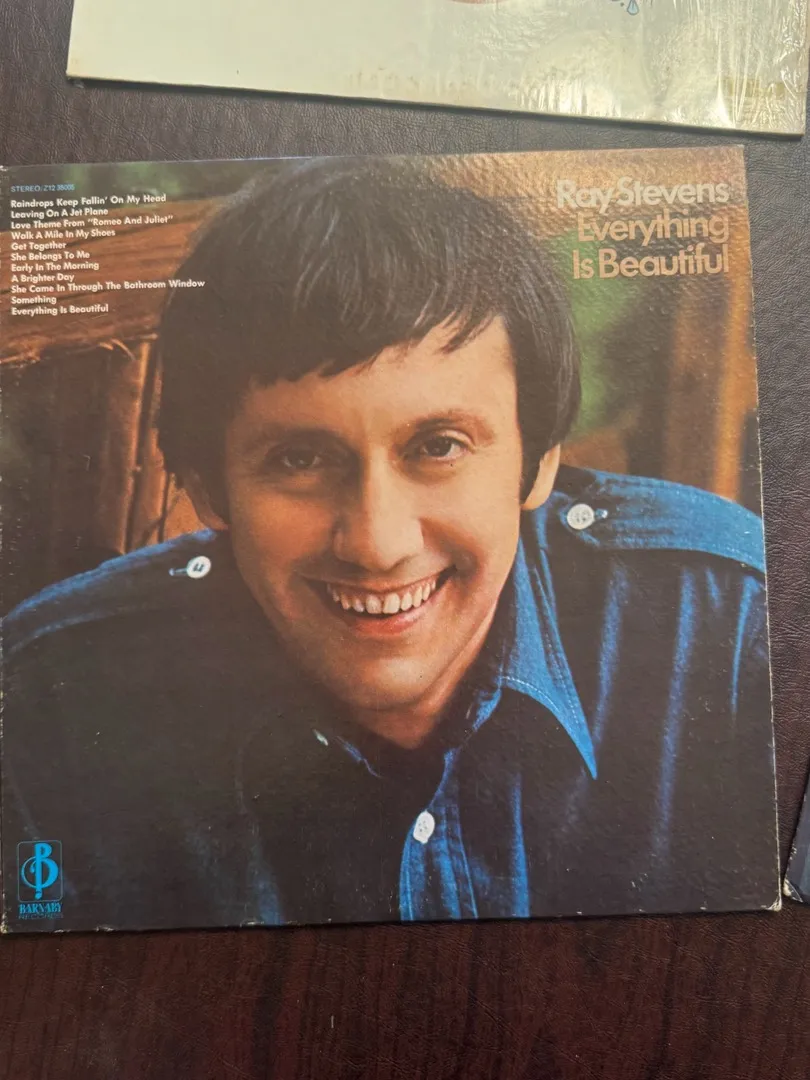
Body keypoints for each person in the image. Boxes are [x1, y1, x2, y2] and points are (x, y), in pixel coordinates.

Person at [1, 157, 777, 933]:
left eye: (438, 447)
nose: (376, 543)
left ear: (539, 460)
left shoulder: (734, 621)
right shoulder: (48, 703)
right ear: (209, 488)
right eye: (300, 460)